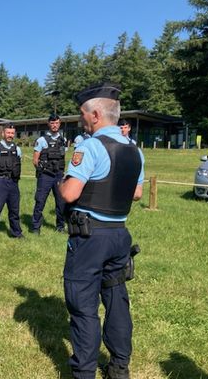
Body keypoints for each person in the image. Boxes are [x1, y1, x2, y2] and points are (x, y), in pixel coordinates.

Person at [59, 82, 144, 379]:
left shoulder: (90, 147)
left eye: (83, 114)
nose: (81, 120)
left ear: (95, 114)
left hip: (90, 237)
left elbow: (70, 193)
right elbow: (136, 194)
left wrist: (61, 183)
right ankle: (119, 367)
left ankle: (83, 372)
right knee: (116, 299)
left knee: (83, 306)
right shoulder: (135, 151)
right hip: (119, 235)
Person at [0, 123, 24, 242]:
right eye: (8, 133)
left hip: (13, 183)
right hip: (0, 183)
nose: (10, 135)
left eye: (12, 133)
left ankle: (16, 233)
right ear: (3, 133)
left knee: (14, 210)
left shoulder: (17, 149)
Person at [31, 113, 67, 234]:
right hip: (46, 176)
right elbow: (35, 160)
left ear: (59, 124)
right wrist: (42, 171)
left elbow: (63, 157)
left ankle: (60, 226)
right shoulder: (41, 140)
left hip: (59, 175)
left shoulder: (63, 140)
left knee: (61, 202)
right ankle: (36, 227)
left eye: (56, 123)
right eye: (52, 123)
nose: (54, 125)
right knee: (40, 201)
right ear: (48, 124)